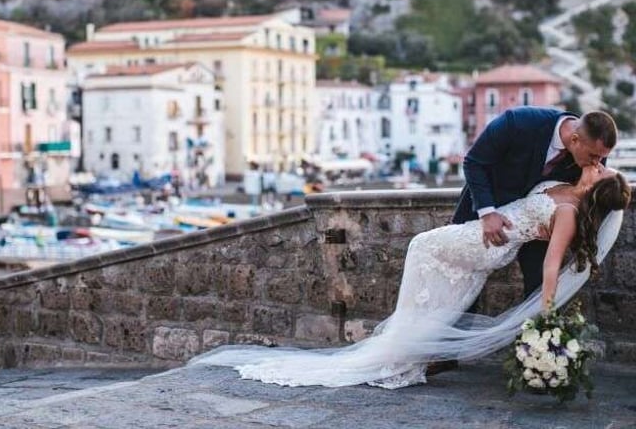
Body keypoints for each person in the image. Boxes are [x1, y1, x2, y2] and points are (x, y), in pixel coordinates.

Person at [190, 167, 630, 389]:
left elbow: (552, 263)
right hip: (483, 236)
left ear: (596, 187)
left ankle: (399, 348)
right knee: (440, 289)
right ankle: (407, 351)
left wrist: (546, 311)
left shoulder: (569, 212)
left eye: (603, 170)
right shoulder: (564, 187)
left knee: (421, 246)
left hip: (488, 244)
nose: (599, 164)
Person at [455, 108, 617, 298]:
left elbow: (587, 197)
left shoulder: (594, 150)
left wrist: (557, 224)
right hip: (484, 209)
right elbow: (474, 162)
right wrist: (487, 213)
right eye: (594, 156)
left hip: (537, 228)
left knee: (538, 287)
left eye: (601, 157)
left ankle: (542, 318)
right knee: (461, 283)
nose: (598, 163)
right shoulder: (517, 122)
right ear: (574, 140)